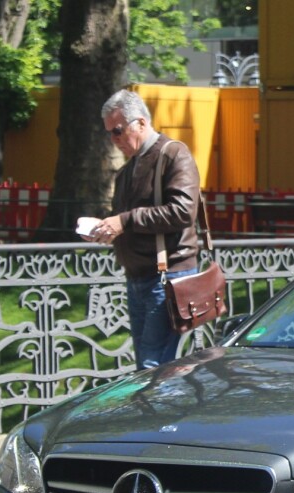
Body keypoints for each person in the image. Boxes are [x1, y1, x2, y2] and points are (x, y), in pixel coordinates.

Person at [83, 89, 201, 370]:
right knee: (150, 367)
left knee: (153, 366)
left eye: (119, 131)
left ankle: (163, 414)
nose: (114, 140)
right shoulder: (127, 171)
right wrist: (107, 229)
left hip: (168, 276)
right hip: (139, 277)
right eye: (109, 133)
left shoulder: (173, 154)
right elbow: (127, 220)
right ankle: (167, 412)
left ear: (141, 122)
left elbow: (184, 212)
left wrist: (124, 221)